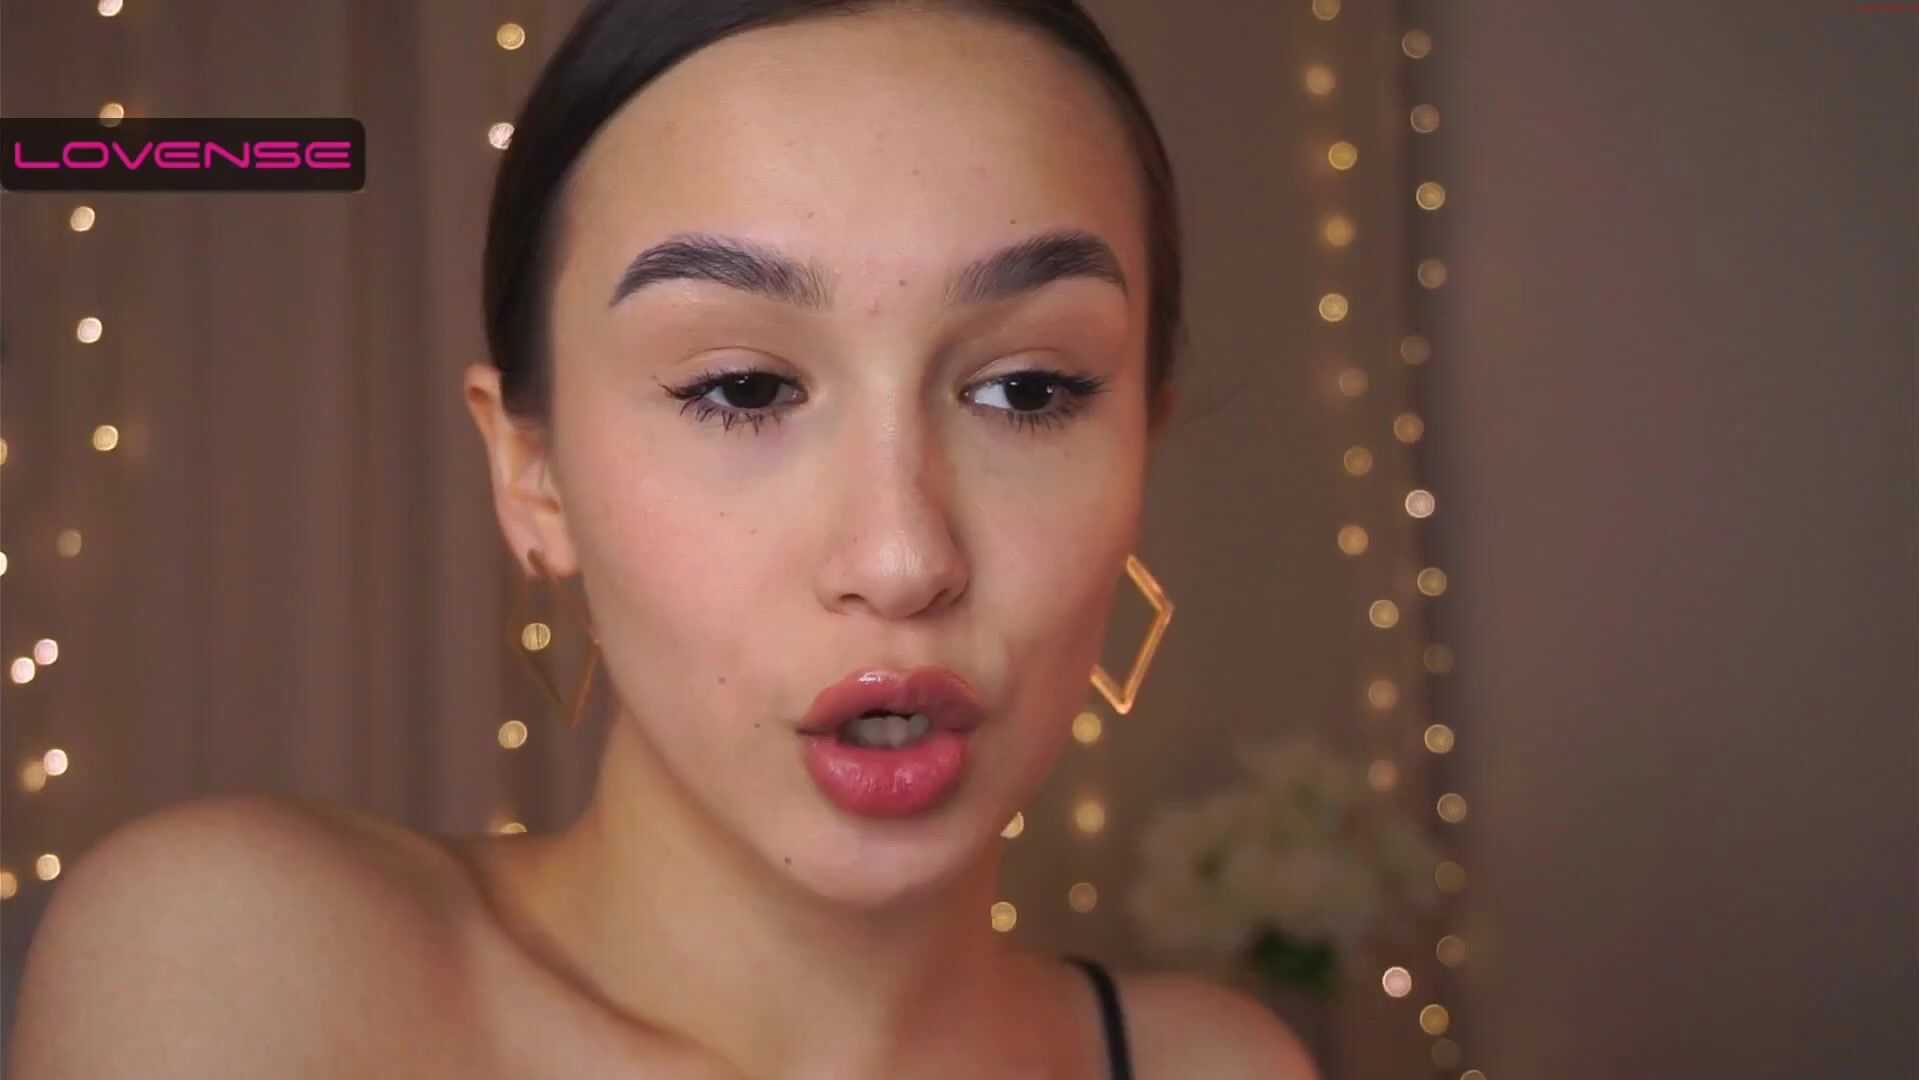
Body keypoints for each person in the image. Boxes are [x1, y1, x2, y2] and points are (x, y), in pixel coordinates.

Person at [9, 2, 1321, 1077]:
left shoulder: (1218, 1066)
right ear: (531, 475)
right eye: (742, 388)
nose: (900, 556)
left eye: (1028, 391)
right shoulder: (249, 963)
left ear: (1139, 445)